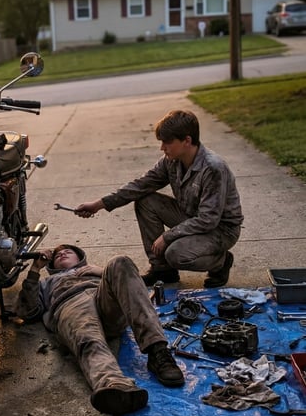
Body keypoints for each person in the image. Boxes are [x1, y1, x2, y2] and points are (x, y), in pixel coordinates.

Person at [75, 109, 243, 288]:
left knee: (176, 254)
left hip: (220, 229)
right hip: (191, 217)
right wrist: (99, 204)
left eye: (167, 142)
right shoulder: (171, 160)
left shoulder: (213, 168)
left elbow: (208, 220)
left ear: (187, 140)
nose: (162, 147)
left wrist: (167, 236)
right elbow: (141, 185)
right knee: (145, 200)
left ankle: (221, 261)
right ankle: (162, 270)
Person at [15, 244, 184, 416]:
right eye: (57, 255)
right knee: (89, 340)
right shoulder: (45, 283)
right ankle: (114, 386)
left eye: (68, 251)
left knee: (120, 261)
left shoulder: (94, 270)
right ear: (51, 266)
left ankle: (158, 351)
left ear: (80, 257)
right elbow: (27, 312)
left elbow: (131, 286)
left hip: (104, 300)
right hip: (71, 305)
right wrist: (35, 269)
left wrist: (101, 271)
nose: (62, 253)